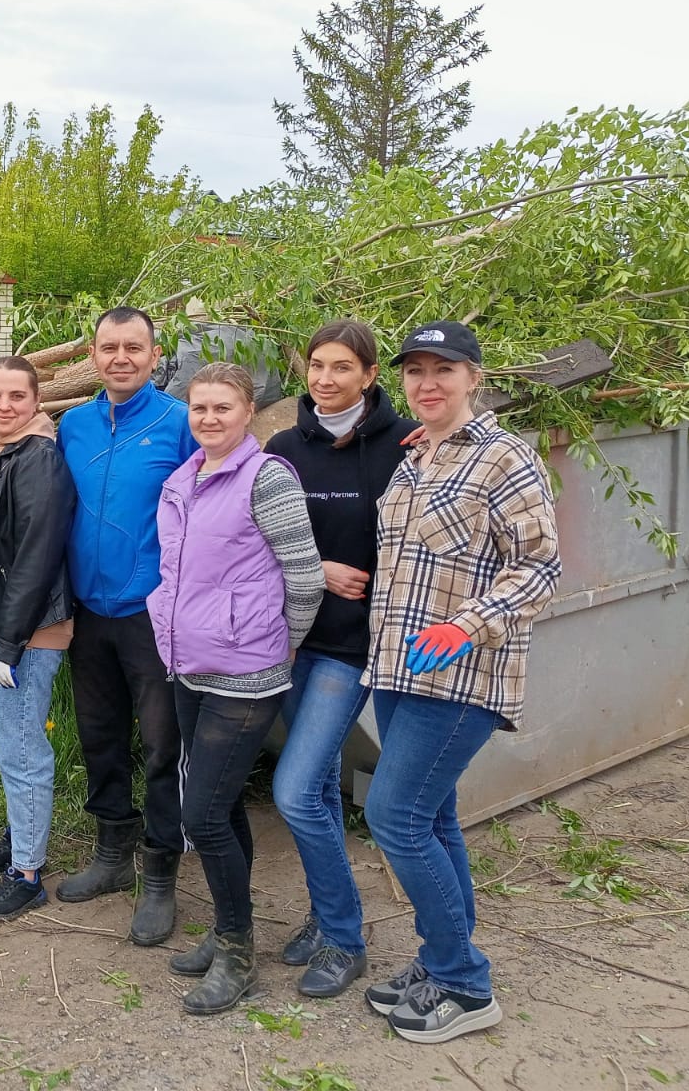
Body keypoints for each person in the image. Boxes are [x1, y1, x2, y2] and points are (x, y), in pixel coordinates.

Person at [361, 320, 560, 1043]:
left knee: (395, 817)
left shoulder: (507, 459)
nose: (428, 383)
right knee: (433, 819)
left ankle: (467, 985)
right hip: (397, 669)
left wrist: (469, 623)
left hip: (463, 674)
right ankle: (440, 963)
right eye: (416, 371)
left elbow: (540, 566)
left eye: (444, 370)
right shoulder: (416, 459)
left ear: (475, 377)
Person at [148, 362, 323, 1015]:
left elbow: (304, 577)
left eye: (223, 408)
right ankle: (230, 933)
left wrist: (279, 645)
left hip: (247, 678)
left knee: (200, 814)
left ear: (249, 412)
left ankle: (238, 954)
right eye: (199, 408)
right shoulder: (183, 480)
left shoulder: (266, 478)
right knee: (219, 809)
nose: (210, 419)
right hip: (191, 666)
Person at [264, 319, 416, 998]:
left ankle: (346, 938)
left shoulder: (407, 445)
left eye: (342, 368)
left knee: (293, 791)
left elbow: (424, 542)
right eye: (317, 365)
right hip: (291, 637)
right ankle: (327, 917)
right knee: (318, 788)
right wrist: (317, 567)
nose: (325, 379)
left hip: (352, 646)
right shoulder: (282, 448)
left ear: (369, 375)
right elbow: (253, 537)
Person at [56, 306, 197, 945]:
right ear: (93, 353)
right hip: (88, 611)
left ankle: (161, 872)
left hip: (153, 613)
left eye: (132, 347)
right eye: (109, 347)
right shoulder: (73, 425)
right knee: (100, 735)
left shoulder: (177, 424)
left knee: (164, 743)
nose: (120, 358)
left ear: (154, 352)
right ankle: (113, 852)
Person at [0, 357, 77, 921]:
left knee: (24, 745)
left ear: (36, 401)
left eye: (16, 396)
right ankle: (17, 831)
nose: (3, 406)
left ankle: (26, 872)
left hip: (27, 630)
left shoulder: (39, 460)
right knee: (1, 734)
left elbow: (35, 553)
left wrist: (11, 640)